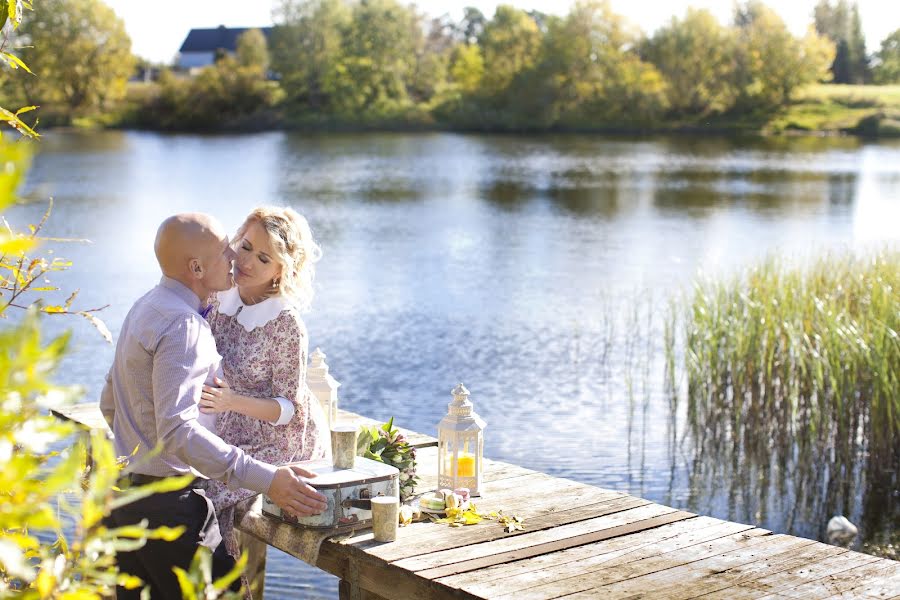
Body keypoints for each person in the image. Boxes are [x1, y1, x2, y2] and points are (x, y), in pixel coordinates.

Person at [99, 213, 328, 600]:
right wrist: (270, 479)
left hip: (125, 498)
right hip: (172, 507)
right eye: (231, 249)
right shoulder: (186, 326)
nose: (236, 259)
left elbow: (110, 401)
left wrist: (141, 450)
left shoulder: (145, 306)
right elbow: (179, 432)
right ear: (197, 267)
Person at [197, 206, 328, 572]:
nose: (247, 261)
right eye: (246, 246)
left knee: (206, 494)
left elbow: (289, 409)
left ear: (281, 270)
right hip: (224, 424)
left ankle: (223, 588)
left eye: (264, 257)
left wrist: (231, 401)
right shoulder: (218, 295)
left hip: (278, 440)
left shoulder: (285, 323)